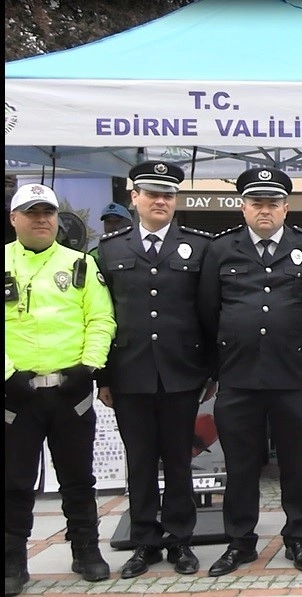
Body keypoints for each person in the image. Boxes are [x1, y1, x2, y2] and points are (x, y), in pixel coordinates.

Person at [197, 167, 302, 577]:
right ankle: (240, 542)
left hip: (291, 377)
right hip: (239, 376)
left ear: (286, 207)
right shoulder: (221, 249)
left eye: (273, 203)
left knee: (296, 462)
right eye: (257, 203)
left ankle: (298, 539)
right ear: (243, 207)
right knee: (241, 465)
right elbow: (208, 311)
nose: (265, 210)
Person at [94, 161, 213, 579]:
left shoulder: (199, 246)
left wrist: (210, 371)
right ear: (135, 198)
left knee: (179, 460)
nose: (160, 201)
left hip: (182, 372)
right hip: (130, 374)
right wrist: (103, 377)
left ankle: (180, 540)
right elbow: (101, 317)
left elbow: (208, 313)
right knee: (140, 461)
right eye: (152, 194)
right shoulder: (110, 250)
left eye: (168, 195)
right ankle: (144, 541)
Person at [5, 184, 116, 595]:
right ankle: (12, 559)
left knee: (78, 477)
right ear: (14, 218)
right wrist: (7, 375)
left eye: (47, 212)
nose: (41, 219)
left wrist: (89, 366)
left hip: (71, 392)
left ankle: (86, 550)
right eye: (31, 213)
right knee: (14, 481)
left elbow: (101, 320)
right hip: (15, 395)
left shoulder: (80, 264)